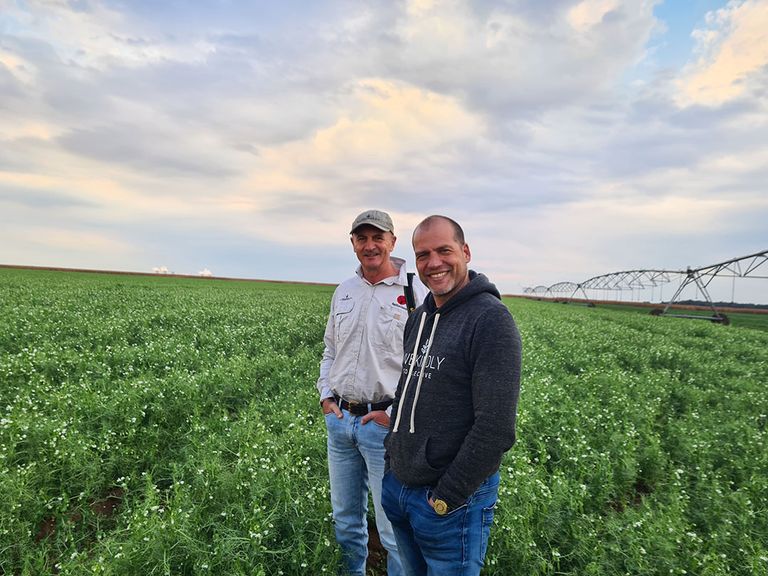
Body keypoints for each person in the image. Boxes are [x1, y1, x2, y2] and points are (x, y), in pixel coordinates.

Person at [382, 215, 522, 576]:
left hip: (449, 507)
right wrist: (391, 461)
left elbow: (495, 427)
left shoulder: (490, 320)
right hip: (400, 489)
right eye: (422, 254)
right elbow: (405, 390)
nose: (433, 263)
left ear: (466, 252)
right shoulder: (420, 317)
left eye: (444, 250)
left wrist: (445, 498)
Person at [317, 209, 427, 576]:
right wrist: (325, 396)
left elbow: (427, 365)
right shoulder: (344, 291)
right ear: (353, 244)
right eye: (361, 238)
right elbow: (330, 350)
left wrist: (393, 414)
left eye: (377, 237)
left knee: (393, 529)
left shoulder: (414, 292)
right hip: (340, 422)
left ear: (393, 242)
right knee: (346, 523)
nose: (370, 245)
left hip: (383, 427)